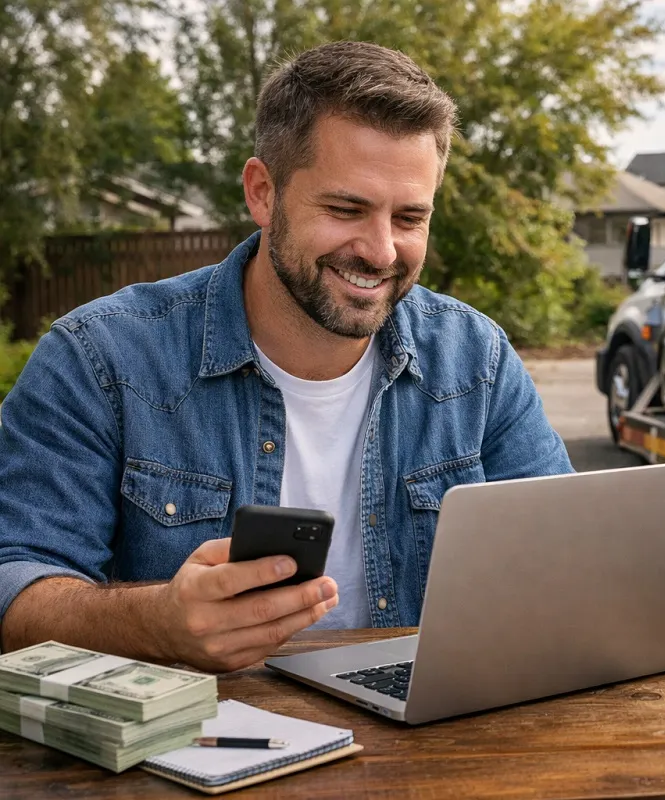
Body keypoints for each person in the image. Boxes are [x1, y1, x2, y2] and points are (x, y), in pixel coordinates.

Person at [0, 41, 573, 672]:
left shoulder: (477, 361)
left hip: (431, 749)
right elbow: (14, 584)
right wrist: (156, 623)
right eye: (346, 209)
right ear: (263, 193)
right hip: (188, 750)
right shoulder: (99, 360)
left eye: (410, 217)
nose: (381, 251)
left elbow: (572, 560)